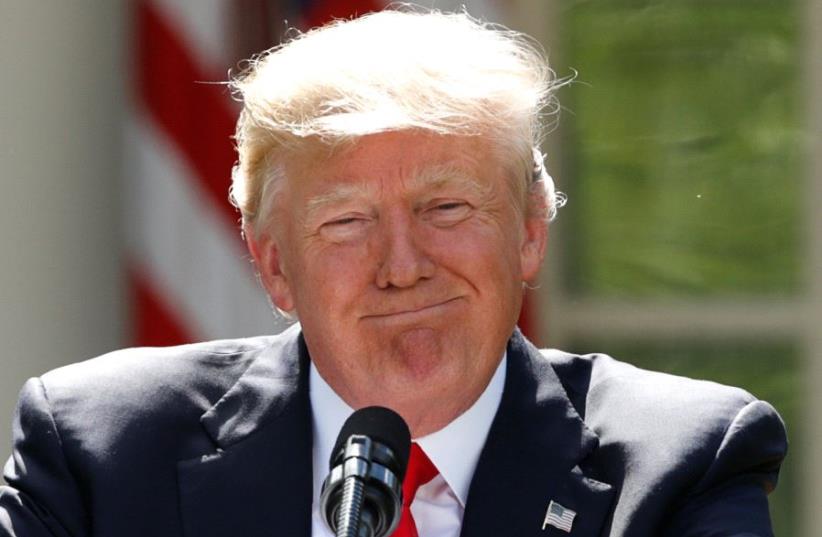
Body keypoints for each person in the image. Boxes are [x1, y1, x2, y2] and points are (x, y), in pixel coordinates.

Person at [0, 8, 786, 537]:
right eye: (347, 222)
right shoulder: (100, 451)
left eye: (446, 208)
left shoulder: (680, 462)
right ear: (275, 265)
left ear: (530, 232)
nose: (402, 267)